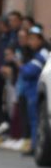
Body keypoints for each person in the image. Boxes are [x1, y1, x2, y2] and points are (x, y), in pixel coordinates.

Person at [17, 25, 48, 154]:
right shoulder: (34, 53)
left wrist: (21, 66)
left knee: (37, 120)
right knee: (34, 120)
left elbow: (30, 71)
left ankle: (36, 146)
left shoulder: (43, 53)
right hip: (31, 91)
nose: (30, 42)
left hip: (36, 91)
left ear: (40, 39)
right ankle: (34, 145)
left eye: (33, 39)